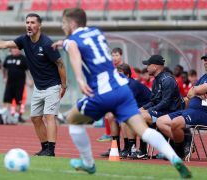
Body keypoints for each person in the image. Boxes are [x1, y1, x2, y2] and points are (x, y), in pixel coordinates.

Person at [52, 8, 191, 178]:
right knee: (143, 130)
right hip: (122, 89)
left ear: (72, 23)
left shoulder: (72, 40)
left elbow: (73, 50)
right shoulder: (96, 32)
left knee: (74, 122)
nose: (62, 26)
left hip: (102, 92)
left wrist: (80, 79)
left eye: (64, 23)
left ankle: (88, 163)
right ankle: (174, 158)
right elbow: (86, 45)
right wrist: (63, 41)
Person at [0, 13, 67, 156]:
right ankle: (45, 147)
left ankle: (51, 150)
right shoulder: (24, 40)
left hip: (52, 85)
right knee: (35, 118)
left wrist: (63, 85)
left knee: (49, 116)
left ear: (39, 25)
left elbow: (60, 63)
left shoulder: (47, 43)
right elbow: (5, 44)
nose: (29, 25)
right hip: (39, 87)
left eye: (33, 22)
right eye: (27, 22)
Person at [157, 55, 207, 159]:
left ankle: (179, 152)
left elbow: (195, 90)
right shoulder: (204, 77)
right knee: (160, 121)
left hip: (203, 113)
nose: (205, 62)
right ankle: (186, 143)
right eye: (205, 60)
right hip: (190, 111)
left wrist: (196, 91)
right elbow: (190, 93)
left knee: (176, 123)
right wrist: (197, 91)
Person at [3, 47, 29, 123]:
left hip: (19, 84)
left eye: (16, 49)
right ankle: (7, 116)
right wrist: (4, 77)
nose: (14, 50)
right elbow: (4, 68)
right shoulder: (8, 58)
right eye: (13, 48)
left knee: (18, 101)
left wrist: (30, 80)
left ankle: (17, 116)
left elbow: (28, 70)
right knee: (7, 100)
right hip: (9, 83)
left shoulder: (23, 58)